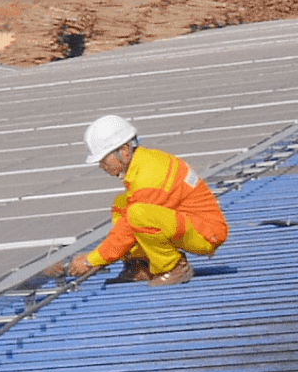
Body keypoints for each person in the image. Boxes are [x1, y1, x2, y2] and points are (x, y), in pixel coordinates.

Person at [65, 113, 228, 285]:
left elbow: (127, 230)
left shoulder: (149, 176)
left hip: (206, 233)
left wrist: (91, 260)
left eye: (104, 159)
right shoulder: (143, 164)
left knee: (137, 213)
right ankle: (142, 265)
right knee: (122, 204)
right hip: (189, 225)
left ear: (124, 150)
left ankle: (173, 267)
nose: (101, 166)